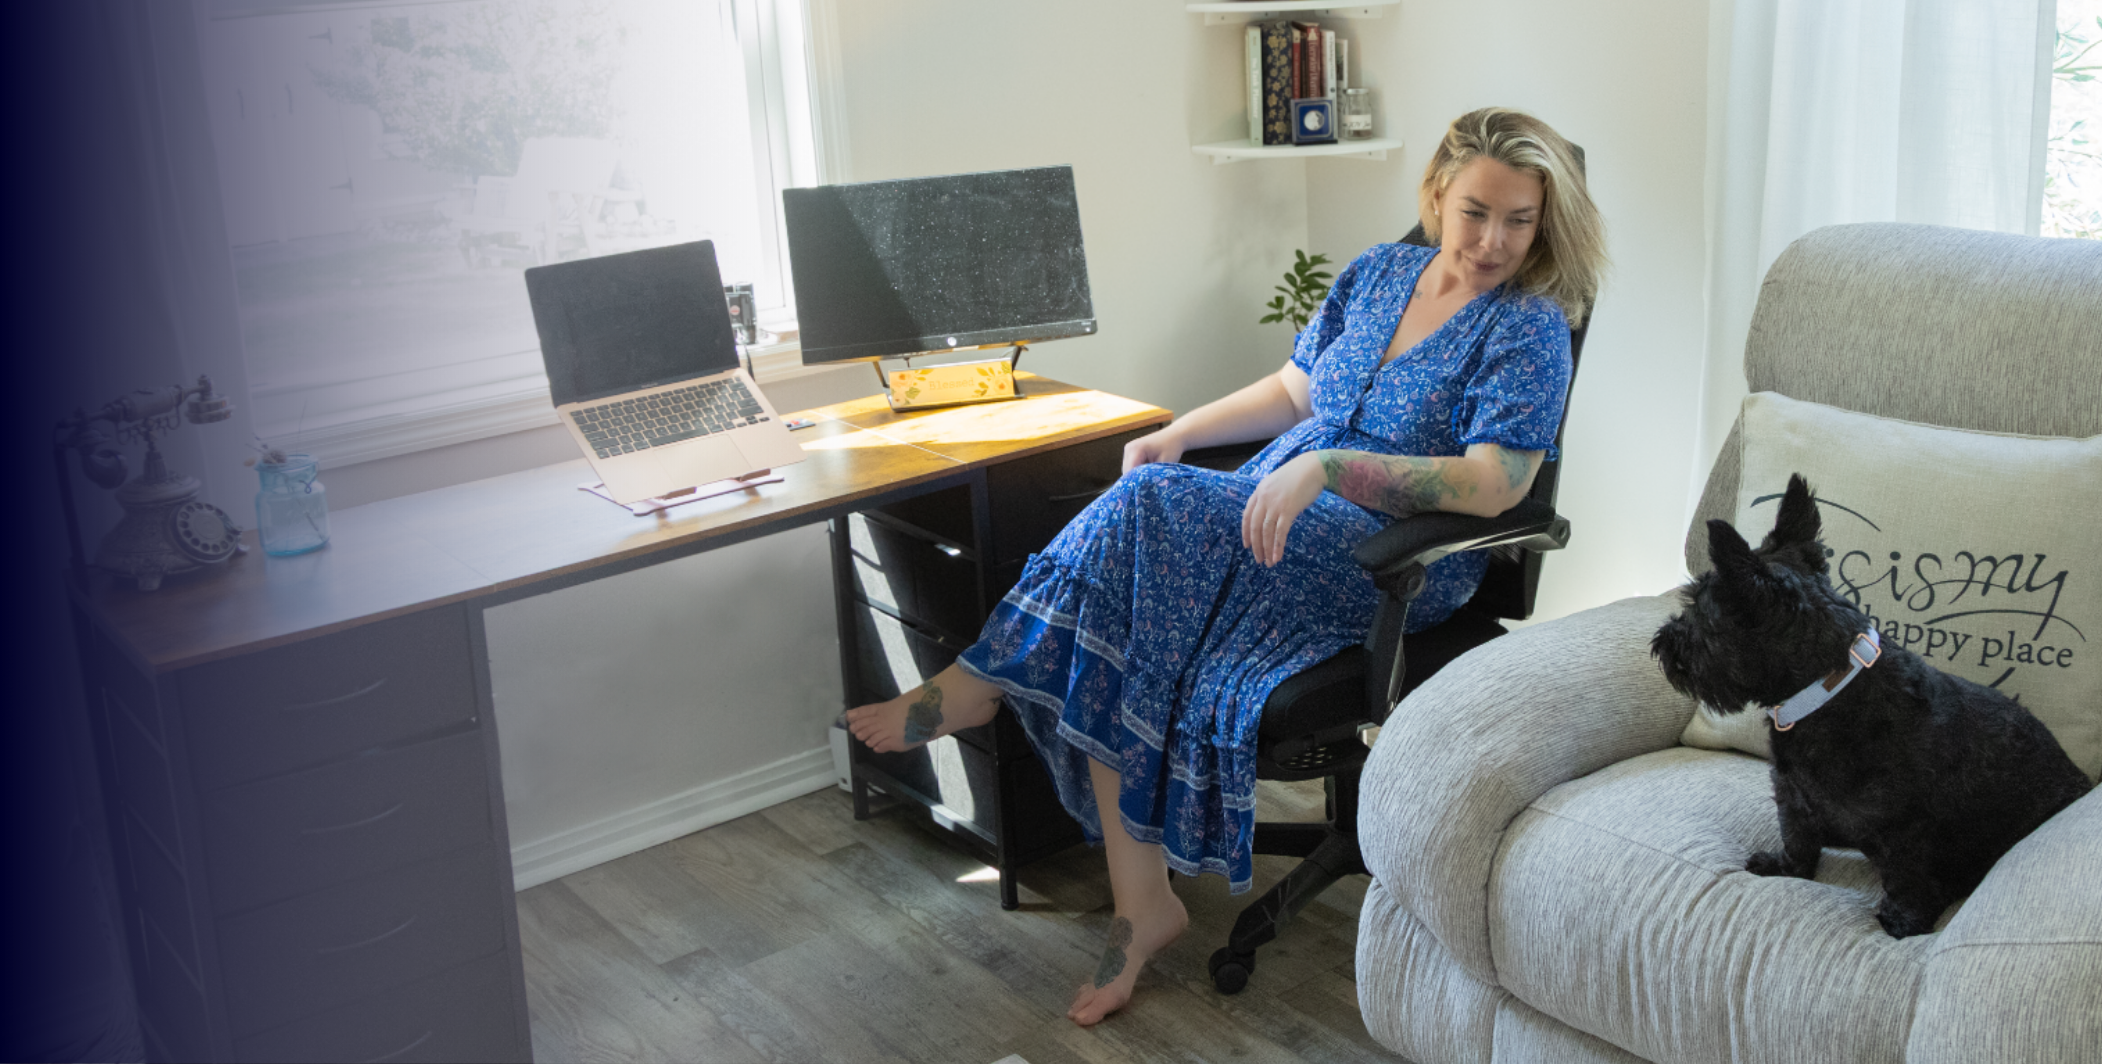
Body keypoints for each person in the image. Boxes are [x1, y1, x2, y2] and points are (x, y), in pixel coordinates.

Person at [847, 106, 1607, 1026]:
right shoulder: (1378, 273)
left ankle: (977, 681)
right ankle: (1145, 907)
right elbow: (1294, 390)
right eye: (1477, 211)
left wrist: (1325, 466)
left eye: (1520, 220)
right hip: (1280, 515)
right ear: (1438, 192)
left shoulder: (1526, 327)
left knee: (1145, 509)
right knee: (1122, 616)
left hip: (1388, 555)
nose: (1493, 241)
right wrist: (1178, 431)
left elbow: (1494, 486)